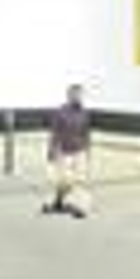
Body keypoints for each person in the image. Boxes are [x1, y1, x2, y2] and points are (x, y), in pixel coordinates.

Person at [43, 84, 91, 218]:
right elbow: (55, 132)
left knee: (81, 180)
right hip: (64, 151)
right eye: (75, 94)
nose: (78, 97)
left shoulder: (84, 113)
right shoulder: (60, 112)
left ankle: (82, 207)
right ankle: (58, 200)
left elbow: (86, 133)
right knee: (64, 180)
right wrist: (51, 151)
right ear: (69, 96)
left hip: (79, 151)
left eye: (80, 95)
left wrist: (87, 151)